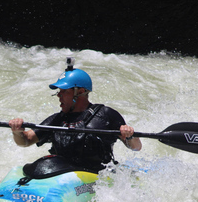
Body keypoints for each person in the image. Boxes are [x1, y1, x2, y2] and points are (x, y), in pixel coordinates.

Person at [9, 59, 142, 173]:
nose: (59, 96)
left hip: (96, 176)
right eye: (59, 92)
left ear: (81, 91)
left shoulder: (106, 115)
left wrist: (130, 135)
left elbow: (136, 147)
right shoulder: (57, 119)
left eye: (64, 91)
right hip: (61, 174)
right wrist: (17, 132)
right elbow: (26, 140)